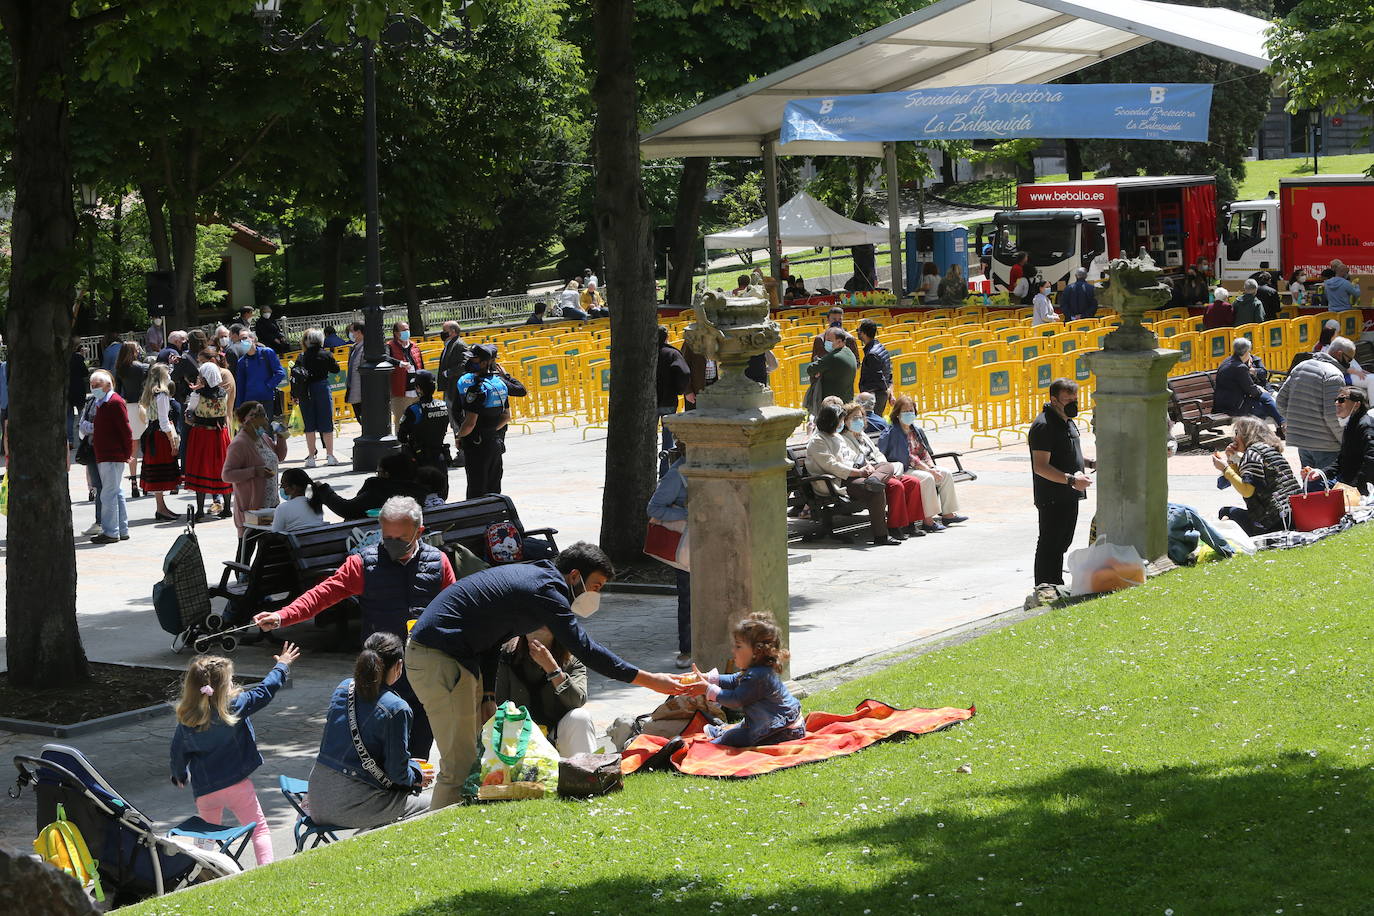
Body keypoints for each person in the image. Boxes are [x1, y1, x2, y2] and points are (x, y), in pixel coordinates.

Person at [405, 541, 687, 808]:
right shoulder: (546, 589)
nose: (596, 596)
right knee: (459, 765)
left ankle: (455, 828)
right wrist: (649, 679)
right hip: (439, 657)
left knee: (467, 761)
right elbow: (585, 648)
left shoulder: (539, 579)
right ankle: (446, 837)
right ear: (575, 575)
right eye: (595, 586)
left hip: (452, 657)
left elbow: (491, 639)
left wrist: (487, 693)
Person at [258, 493, 455, 747]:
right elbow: (322, 595)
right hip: (379, 671)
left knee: (419, 744)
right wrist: (281, 616)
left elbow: (453, 610)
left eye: (401, 539)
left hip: (426, 669)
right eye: (388, 538)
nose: (393, 544)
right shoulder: (363, 564)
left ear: (419, 532)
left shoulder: (438, 562)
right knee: (380, 745)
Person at [169, 644, 299, 866]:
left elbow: (177, 752)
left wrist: (179, 774)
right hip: (238, 785)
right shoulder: (236, 706)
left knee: (205, 837)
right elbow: (265, 690)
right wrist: (282, 666)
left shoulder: (187, 721)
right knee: (259, 830)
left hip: (206, 790)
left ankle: (202, 873)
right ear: (223, 687)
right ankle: (266, 870)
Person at [308, 633, 435, 830]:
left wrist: (409, 766)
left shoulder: (343, 687)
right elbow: (397, 774)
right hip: (350, 805)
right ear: (399, 665)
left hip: (316, 797)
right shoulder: (397, 708)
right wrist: (417, 775)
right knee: (436, 806)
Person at [683, 613, 802, 748]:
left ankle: (708, 746)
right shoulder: (758, 669)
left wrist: (707, 689)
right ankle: (722, 731)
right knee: (742, 726)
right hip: (779, 724)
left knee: (733, 736)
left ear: (757, 651)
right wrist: (708, 678)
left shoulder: (758, 675)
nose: (733, 650)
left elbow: (735, 700)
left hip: (783, 730)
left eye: (738, 646)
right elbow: (735, 680)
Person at [1028, 379, 1094, 597]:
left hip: (1069, 494)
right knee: (1050, 544)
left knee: (1062, 542)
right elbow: (1041, 466)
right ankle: (1045, 588)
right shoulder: (1044, 425)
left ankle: (1055, 584)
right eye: (1068, 400)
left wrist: (1090, 464)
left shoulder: (1066, 420)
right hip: (1053, 495)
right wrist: (1071, 480)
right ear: (1054, 400)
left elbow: (1067, 452)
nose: (1073, 404)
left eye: (1075, 399)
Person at [804, 403, 898, 546]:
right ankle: (881, 536)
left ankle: (873, 480)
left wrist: (866, 467)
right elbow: (832, 466)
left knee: (887, 466)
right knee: (876, 492)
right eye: (840, 420)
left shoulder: (837, 436)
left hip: (854, 473)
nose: (842, 423)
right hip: (836, 481)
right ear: (831, 421)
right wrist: (859, 472)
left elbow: (851, 457)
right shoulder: (817, 441)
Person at [494, 628, 598, 757]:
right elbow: (499, 703)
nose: (535, 628)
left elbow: (577, 701)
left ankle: (587, 773)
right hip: (518, 734)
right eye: (530, 621)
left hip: (556, 735)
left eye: (542, 621)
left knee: (580, 717)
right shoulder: (507, 654)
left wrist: (552, 669)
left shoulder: (572, 656)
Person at [878, 394, 968, 531]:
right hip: (903, 468)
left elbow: (924, 451)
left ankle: (948, 514)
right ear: (897, 414)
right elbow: (907, 457)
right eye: (905, 411)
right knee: (927, 478)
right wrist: (929, 470)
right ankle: (928, 520)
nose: (909, 414)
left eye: (911, 411)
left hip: (921, 466)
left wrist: (932, 466)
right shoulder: (893, 432)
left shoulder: (915, 430)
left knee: (945, 474)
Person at [840, 402, 925, 540]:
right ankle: (894, 527)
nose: (859, 421)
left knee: (913, 482)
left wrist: (881, 464)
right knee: (896, 486)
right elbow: (852, 460)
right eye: (854, 418)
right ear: (846, 420)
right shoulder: (843, 439)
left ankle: (910, 524)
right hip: (866, 473)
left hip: (879, 470)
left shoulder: (862, 435)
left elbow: (878, 453)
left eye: (861, 417)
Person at [1213, 417, 1301, 536]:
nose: (1234, 438)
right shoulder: (1269, 451)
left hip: (1273, 522)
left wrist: (1225, 469)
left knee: (1225, 512)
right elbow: (1248, 480)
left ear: (1247, 435)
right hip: (1295, 516)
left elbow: (1247, 491)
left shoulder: (1252, 454)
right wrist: (1231, 460)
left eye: (1237, 433)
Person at [1278, 336, 1353, 470]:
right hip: (1326, 445)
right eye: (1349, 359)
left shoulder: (1301, 366)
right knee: (1328, 488)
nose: (1349, 364)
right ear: (1340, 354)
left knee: (1310, 487)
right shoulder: (1334, 375)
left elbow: (1280, 401)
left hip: (1302, 442)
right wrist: (1344, 441)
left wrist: (1298, 421)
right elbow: (1332, 415)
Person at [648, 445, 692, 668]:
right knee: (688, 597)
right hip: (688, 545)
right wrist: (686, 513)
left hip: (710, 541)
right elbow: (654, 508)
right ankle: (687, 649)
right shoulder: (676, 474)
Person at [221, 401, 289, 538]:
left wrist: (281, 437)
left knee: (269, 549)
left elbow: (279, 456)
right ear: (243, 420)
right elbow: (226, 475)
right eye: (253, 415)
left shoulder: (263, 438)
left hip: (272, 505)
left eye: (261, 415)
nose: (258, 419)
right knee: (246, 549)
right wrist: (254, 471)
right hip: (252, 509)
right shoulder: (239, 443)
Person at [184, 350, 233, 520]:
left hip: (202, 435)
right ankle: (227, 508)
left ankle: (199, 510)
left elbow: (189, 412)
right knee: (221, 467)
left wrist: (190, 416)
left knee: (201, 466)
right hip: (221, 435)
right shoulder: (223, 393)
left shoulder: (197, 395)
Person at [457, 343, 511, 498]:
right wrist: (490, 430)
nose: (470, 362)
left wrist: (460, 436)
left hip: (477, 445)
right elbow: (506, 416)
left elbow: (470, 423)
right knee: (494, 490)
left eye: (474, 359)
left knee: (477, 490)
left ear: (484, 362)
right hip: (494, 442)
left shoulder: (477, 389)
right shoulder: (499, 383)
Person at [88, 370, 133, 544]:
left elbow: (125, 430)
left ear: (108, 385)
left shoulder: (114, 402)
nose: (94, 389)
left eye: (97, 386)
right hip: (107, 454)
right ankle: (121, 529)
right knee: (116, 492)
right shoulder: (103, 402)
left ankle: (111, 532)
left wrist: (127, 453)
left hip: (112, 455)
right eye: (92, 386)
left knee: (108, 494)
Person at [316, 452, 430, 520]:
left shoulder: (379, 491)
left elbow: (347, 509)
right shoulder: (420, 492)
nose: (377, 475)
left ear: (386, 474)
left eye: (379, 472)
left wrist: (324, 490)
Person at [139, 363, 183, 522]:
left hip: (152, 434)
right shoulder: (162, 394)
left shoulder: (149, 393)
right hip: (160, 436)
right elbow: (164, 421)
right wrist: (172, 441)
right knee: (161, 473)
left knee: (156, 473)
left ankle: (161, 507)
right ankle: (161, 508)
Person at [1214, 337, 1285, 433]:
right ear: (1246, 352)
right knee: (1267, 407)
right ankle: (1282, 425)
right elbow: (1252, 391)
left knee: (1267, 400)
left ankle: (1282, 424)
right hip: (1234, 406)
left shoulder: (1226, 361)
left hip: (1224, 403)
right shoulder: (1240, 367)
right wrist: (1261, 390)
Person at [293, 328, 341, 468]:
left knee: (309, 425)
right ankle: (330, 455)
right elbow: (335, 369)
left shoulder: (302, 356)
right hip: (322, 388)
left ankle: (311, 457)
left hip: (305, 391)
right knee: (326, 422)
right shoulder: (326, 354)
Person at [115, 342, 149, 500]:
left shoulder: (120, 369)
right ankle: (147, 480)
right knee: (148, 445)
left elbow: (117, 391)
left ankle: (133, 481)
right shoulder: (143, 367)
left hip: (129, 407)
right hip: (143, 406)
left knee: (133, 447)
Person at [397, 370, 452, 470]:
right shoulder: (444, 406)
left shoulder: (413, 410)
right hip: (440, 458)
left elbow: (401, 437)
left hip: (419, 460)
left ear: (418, 389)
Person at [655, 326, 691, 475]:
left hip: (650, 401)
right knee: (667, 437)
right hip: (668, 400)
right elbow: (685, 372)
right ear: (667, 337)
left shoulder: (646, 353)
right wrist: (679, 390)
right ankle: (664, 470)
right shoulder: (672, 353)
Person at [233, 331, 285, 420]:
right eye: (240, 340)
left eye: (244, 338)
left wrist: (268, 385)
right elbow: (240, 384)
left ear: (253, 339)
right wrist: (239, 406)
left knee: (266, 428)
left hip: (266, 399)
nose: (242, 342)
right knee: (253, 430)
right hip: (249, 402)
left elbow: (280, 373)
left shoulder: (267, 353)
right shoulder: (241, 362)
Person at [806, 327, 857, 413]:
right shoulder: (848, 352)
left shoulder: (833, 357)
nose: (826, 343)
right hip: (846, 401)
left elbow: (810, 369)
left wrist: (820, 370)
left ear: (839, 341)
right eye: (825, 340)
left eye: (829, 340)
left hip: (832, 406)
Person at [387, 321, 424, 431]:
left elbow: (422, 366)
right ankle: (401, 446)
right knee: (401, 422)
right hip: (400, 393)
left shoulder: (414, 346)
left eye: (407, 329)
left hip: (417, 392)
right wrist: (400, 363)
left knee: (419, 420)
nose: (406, 332)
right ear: (396, 333)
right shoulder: (389, 346)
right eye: (403, 330)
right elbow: (385, 357)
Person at [855, 319, 893, 415]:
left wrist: (887, 391)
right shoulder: (881, 347)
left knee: (872, 424)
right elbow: (889, 372)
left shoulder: (872, 354)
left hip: (875, 396)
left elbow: (879, 378)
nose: (857, 333)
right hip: (880, 394)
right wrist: (889, 391)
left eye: (858, 331)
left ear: (863, 333)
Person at [272, 468, 326, 532]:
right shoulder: (316, 504)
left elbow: (276, 532)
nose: (281, 487)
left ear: (294, 487)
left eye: (283, 484)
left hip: (295, 541)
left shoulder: (282, 508)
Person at [68, 337, 89, 447]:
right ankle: (83, 438)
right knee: (82, 415)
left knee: (69, 417)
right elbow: (85, 373)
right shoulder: (78, 358)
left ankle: (70, 441)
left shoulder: (64, 358)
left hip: (67, 390)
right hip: (79, 389)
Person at [346, 322, 366, 419]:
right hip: (354, 391)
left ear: (358, 332)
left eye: (351, 331)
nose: (350, 334)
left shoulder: (367, 348)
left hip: (363, 393)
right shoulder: (354, 348)